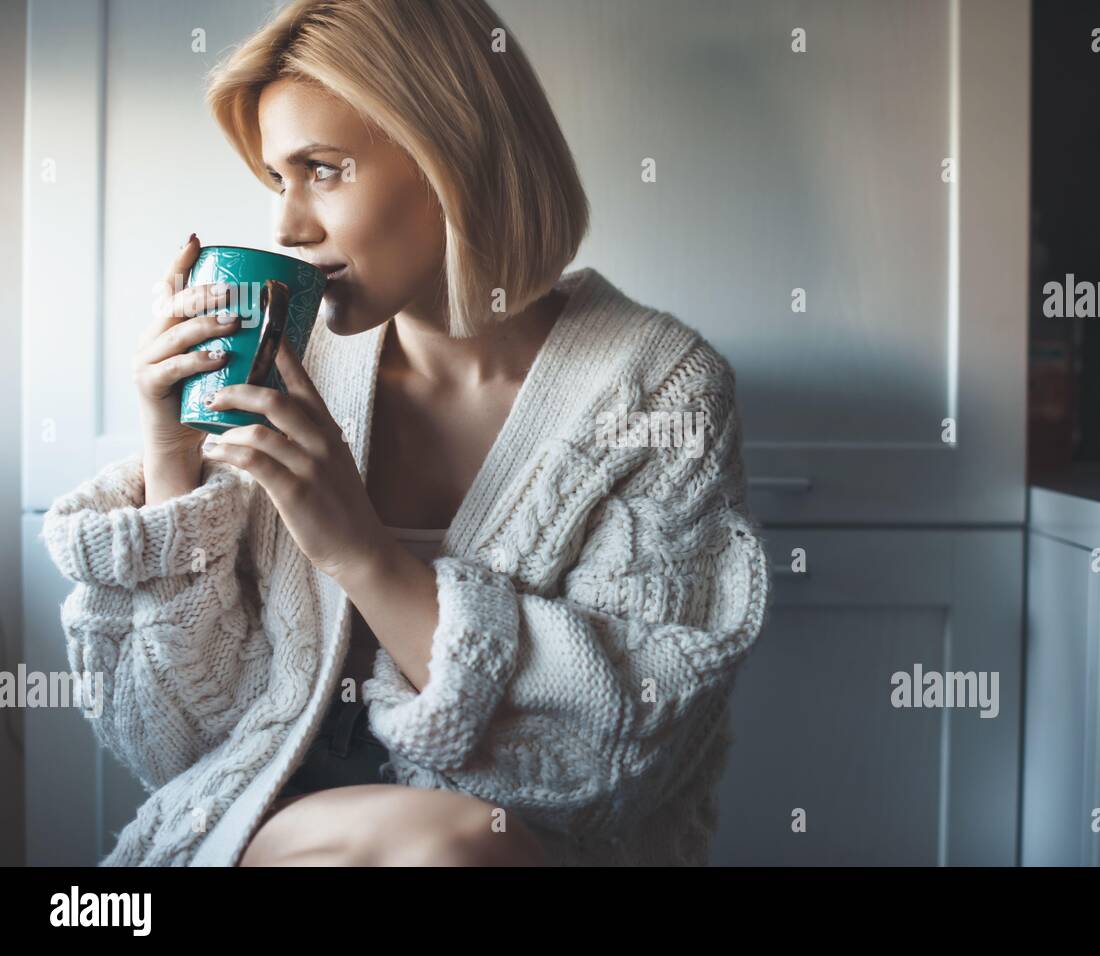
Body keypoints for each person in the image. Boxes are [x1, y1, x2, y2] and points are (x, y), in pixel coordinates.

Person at [40, 0, 771, 867]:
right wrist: (171, 461)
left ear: (448, 157)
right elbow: (172, 747)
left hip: (514, 853)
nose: (287, 227)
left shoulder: (659, 390)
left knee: (455, 846)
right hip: (271, 838)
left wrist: (361, 552)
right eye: (279, 178)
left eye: (325, 169)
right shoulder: (281, 359)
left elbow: (607, 761)